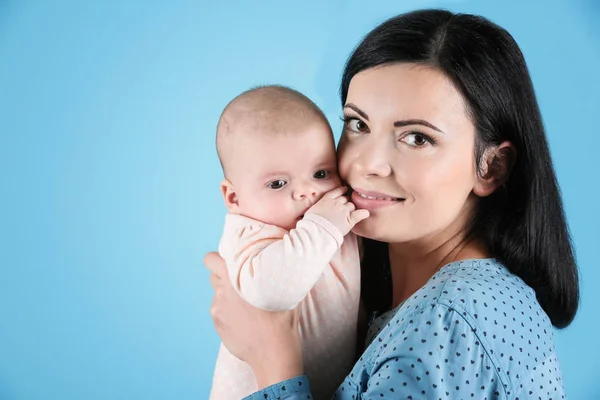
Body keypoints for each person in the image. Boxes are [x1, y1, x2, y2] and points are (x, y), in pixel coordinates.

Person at [206, 9, 579, 399]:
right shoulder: (389, 290)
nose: (367, 164)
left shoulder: (446, 322)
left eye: (417, 138)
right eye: (358, 125)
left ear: (491, 168)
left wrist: (272, 358)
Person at [210, 85, 369, 399]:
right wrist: (322, 226)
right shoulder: (249, 234)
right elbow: (272, 293)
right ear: (234, 197)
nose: (307, 192)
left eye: (321, 173)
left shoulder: (330, 221)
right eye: (278, 183)